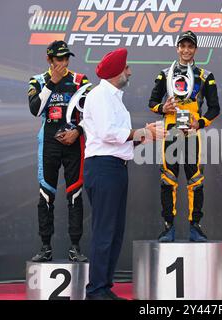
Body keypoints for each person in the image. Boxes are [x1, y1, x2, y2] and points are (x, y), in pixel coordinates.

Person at [83, 48, 166, 300]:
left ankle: (104, 288)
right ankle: (96, 291)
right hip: (103, 167)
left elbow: (120, 140)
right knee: (105, 231)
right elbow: (109, 133)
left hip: (116, 167)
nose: (129, 71)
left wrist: (145, 135)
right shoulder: (99, 95)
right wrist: (141, 131)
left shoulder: (114, 98)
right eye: (126, 67)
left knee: (115, 232)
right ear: (116, 72)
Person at [148, 30, 220, 242]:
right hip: (170, 132)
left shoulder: (205, 76)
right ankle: (168, 227)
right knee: (167, 179)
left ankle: (195, 227)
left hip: (191, 134)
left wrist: (200, 122)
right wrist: (164, 107)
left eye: (190, 46)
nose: (186, 50)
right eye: (183, 46)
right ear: (177, 48)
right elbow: (151, 103)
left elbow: (215, 108)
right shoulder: (165, 74)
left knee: (195, 180)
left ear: (195, 49)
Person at [28, 40, 89, 262]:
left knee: (75, 193)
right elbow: (35, 110)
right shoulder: (38, 80)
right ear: (49, 60)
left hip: (74, 142)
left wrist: (78, 131)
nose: (63, 63)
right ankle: (46, 247)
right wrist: (52, 83)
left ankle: (75, 247)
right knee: (46, 193)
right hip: (49, 143)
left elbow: (92, 114)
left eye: (66, 58)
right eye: (58, 59)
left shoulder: (81, 81)